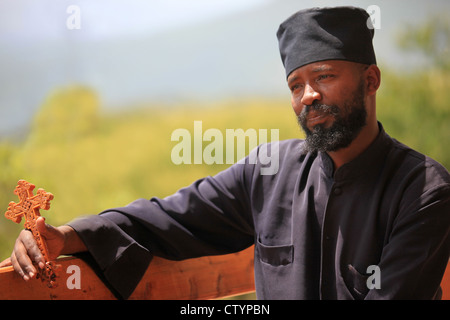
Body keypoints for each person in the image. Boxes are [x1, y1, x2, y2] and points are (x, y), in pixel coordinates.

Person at [1, 6, 449, 300]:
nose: (308, 95)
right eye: (296, 85)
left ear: (370, 80)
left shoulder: (423, 190)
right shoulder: (269, 174)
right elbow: (169, 218)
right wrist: (68, 236)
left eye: (325, 76)